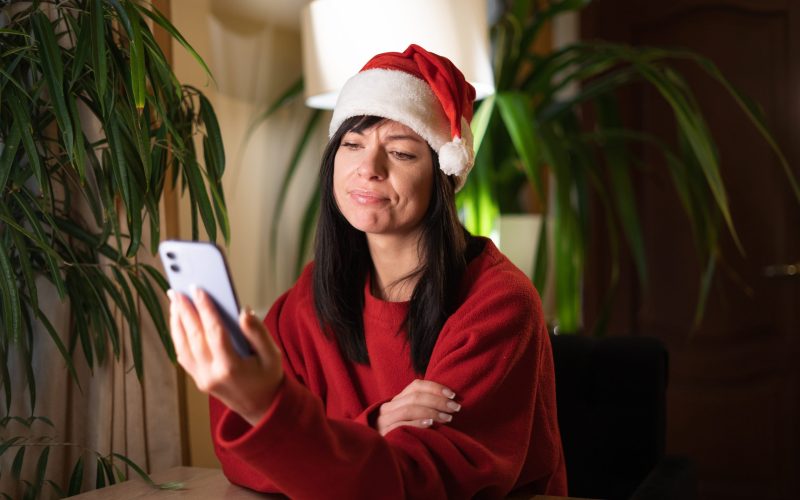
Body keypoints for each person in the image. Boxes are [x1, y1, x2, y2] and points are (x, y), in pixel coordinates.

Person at [168, 44, 566, 499]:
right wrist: (372, 425)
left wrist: (274, 413)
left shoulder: (498, 304)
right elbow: (239, 455)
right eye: (352, 145)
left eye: (401, 153)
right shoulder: (313, 294)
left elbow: (418, 483)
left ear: (443, 176)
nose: (368, 169)